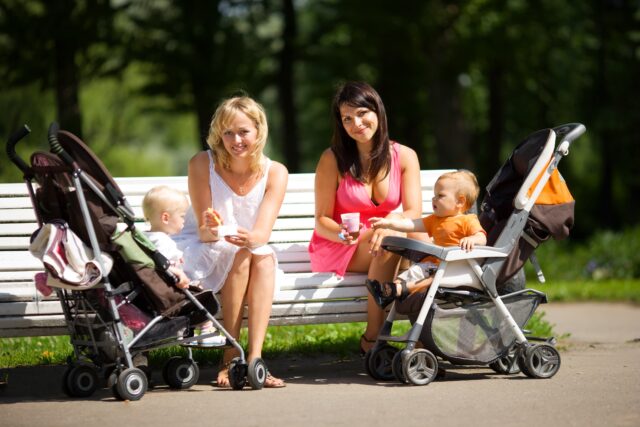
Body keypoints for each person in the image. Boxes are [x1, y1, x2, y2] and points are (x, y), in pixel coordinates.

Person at [174, 96, 288, 388]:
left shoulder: (276, 172)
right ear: (218, 135)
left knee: (260, 256)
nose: (235, 140)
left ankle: (254, 360)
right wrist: (214, 227)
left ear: (258, 131)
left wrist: (250, 238)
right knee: (243, 254)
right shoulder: (202, 163)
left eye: (243, 132)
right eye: (227, 133)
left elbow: (261, 234)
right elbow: (204, 232)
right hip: (205, 249)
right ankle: (229, 357)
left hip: (248, 250)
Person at [308, 81, 423, 355]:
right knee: (395, 243)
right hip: (342, 244)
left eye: (362, 113)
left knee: (417, 239)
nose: (356, 123)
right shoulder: (332, 159)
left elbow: (413, 213)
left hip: (389, 241)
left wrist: (389, 224)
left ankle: (420, 336)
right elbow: (321, 220)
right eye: (347, 118)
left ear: (377, 111)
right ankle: (375, 338)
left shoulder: (404, 156)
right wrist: (340, 233)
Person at [367, 170, 487, 307]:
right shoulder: (435, 220)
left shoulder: (468, 220)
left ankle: (398, 290)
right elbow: (410, 224)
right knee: (414, 271)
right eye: (434, 195)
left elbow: (482, 237)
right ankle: (387, 292)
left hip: (458, 268)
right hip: (437, 264)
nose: (433, 199)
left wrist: (472, 239)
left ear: (460, 201)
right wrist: (388, 223)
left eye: (440, 196)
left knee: (433, 278)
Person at [141, 185, 226, 346]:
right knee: (200, 290)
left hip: (152, 289)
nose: (184, 221)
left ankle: (188, 329)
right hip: (170, 289)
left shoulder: (145, 238)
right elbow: (173, 269)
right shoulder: (164, 242)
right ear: (165, 218)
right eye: (181, 216)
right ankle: (207, 330)